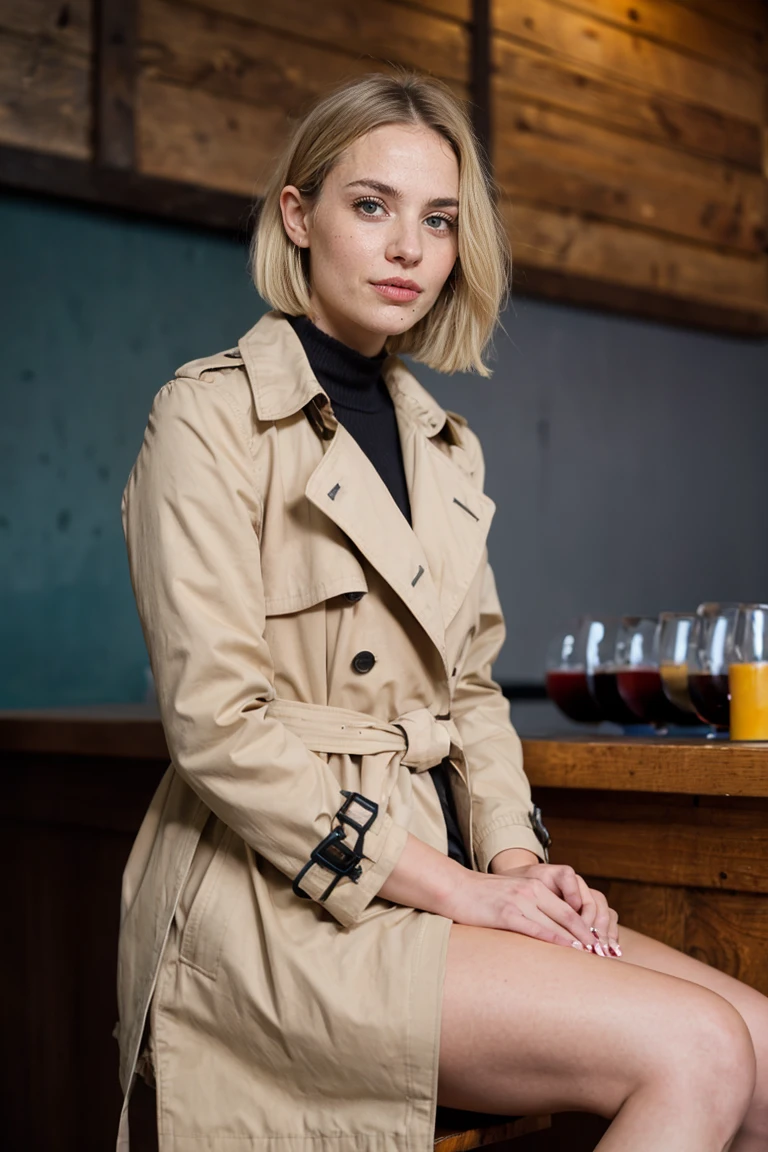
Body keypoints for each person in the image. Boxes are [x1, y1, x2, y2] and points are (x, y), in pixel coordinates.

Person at [117, 71, 768, 1152]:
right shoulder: (207, 414)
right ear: (298, 215)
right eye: (370, 206)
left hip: (447, 877)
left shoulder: (447, 446)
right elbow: (217, 728)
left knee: (760, 1046)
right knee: (695, 1050)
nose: (407, 247)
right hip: (283, 907)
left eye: (438, 220)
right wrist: (462, 892)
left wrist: (513, 864)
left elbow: (471, 695)